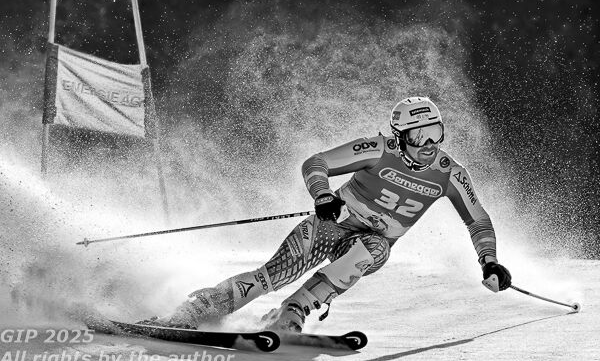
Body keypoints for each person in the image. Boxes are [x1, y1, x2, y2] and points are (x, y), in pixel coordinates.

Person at [148, 96, 512, 332]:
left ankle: (292, 312)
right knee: (270, 276)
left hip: (368, 242)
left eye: (435, 133)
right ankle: (195, 310)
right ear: (400, 138)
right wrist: (323, 195)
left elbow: (477, 219)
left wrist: (490, 261)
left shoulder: (450, 173)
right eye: (419, 137)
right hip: (330, 225)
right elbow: (316, 162)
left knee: (374, 250)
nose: (429, 145)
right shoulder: (378, 149)